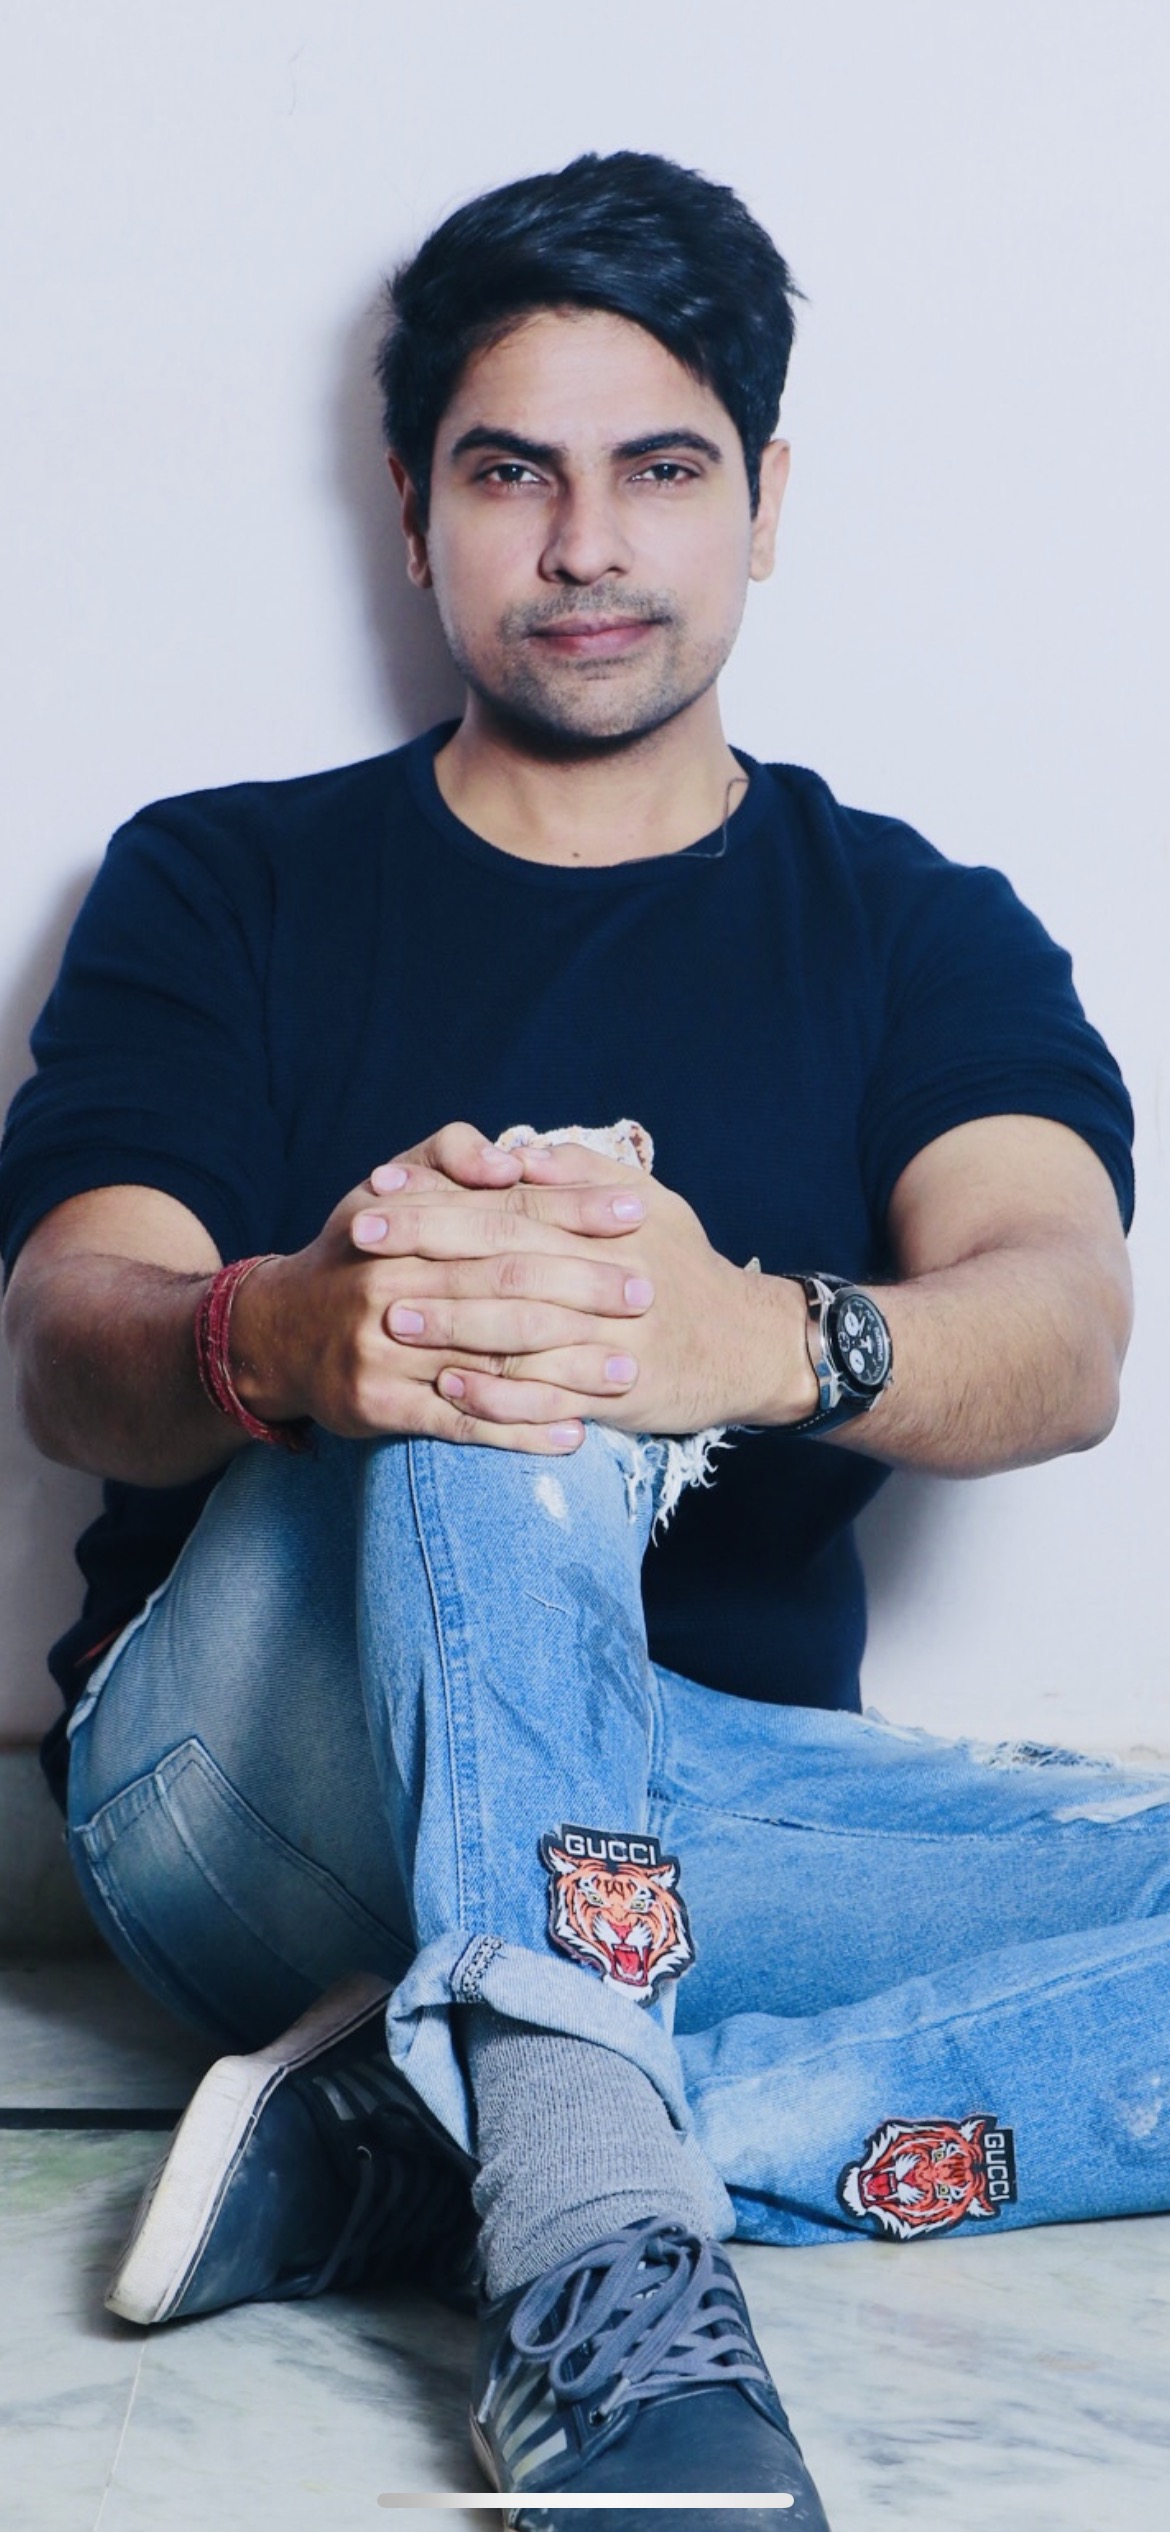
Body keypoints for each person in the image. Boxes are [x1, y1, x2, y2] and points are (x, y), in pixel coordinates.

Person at [0, 149, 1160, 2529]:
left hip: (702, 1805)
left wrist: (757, 1343)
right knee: (506, 1283)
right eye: (512, 473)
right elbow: (68, 1332)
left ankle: (443, 2148)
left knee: (571, 1300)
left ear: (765, 502)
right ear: (416, 509)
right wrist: (305, 1333)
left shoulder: (912, 925)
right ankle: (603, 2286)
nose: (589, 544)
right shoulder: (222, 878)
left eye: (663, 470)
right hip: (247, 1784)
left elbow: (1061, 1330)